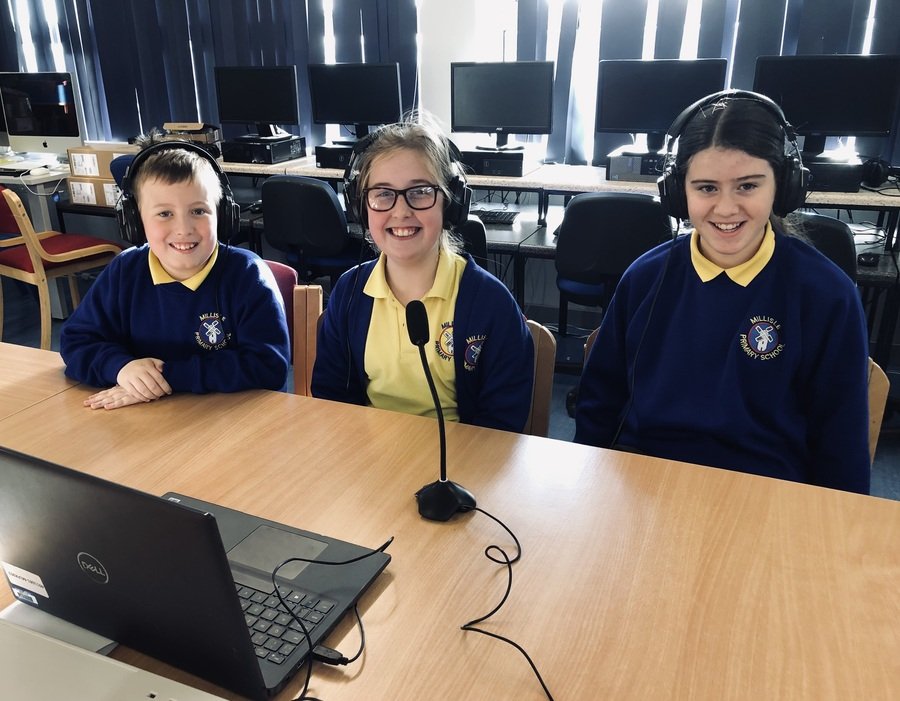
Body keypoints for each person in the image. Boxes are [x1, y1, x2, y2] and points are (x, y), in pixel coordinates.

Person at [575, 90, 870, 494]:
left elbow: (842, 446)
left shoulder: (826, 295)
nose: (726, 208)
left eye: (747, 185)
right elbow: (599, 405)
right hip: (646, 483)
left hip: (767, 492)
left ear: (783, 187)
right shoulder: (645, 278)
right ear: (678, 193)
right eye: (706, 188)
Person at [311, 116, 534, 432]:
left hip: (460, 463)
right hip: (367, 461)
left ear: (451, 203)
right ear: (361, 207)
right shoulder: (350, 293)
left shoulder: (491, 304)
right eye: (383, 193)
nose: (400, 211)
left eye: (420, 192)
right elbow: (331, 398)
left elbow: (501, 422)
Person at [60, 139, 290, 409]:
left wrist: (165, 378)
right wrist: (121, 368)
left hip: (230, 422)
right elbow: (76, 341)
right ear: (135, 221)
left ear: (223, 214)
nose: (183, 228)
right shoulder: (124, 272)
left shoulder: (247, 275)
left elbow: (268, 365)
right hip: (143, 422)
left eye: (198, 211)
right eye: (165, 213)